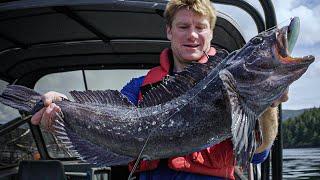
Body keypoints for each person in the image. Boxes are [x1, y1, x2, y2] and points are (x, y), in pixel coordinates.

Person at [31, 0, 288, 179]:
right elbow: (108, 114)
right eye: (183, 26)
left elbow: (257, 155)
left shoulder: (231, 80)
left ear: (211, 33)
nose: (193, 35)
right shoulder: (138, 88)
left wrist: (269, 105)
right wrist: (61, 105)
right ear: (169, 31)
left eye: (200, 27)